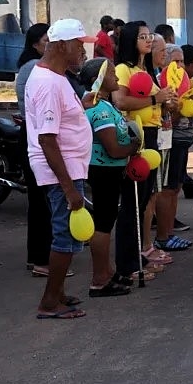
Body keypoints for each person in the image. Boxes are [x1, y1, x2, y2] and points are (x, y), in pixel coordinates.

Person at [27, 19, 96, 319]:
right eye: (79, 44)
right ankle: (49, 302)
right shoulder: (48, 83)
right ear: (61, 46)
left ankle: (58, 293)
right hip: (61, 172)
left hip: (68, 168)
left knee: (66, 235)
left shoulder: (56, 78)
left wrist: (82, 105)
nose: (83, 51)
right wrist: (68, 188)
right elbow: (47, 138)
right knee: (65, 237)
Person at [112, 22, 176, 280]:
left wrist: (167, 102)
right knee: (132, 203)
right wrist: (154, 99)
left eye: (149, 36)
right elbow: (121, 100)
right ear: (130, 40)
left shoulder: (144, 70)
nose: (149, 40)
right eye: (142, 36)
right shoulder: (123, 69)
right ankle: (127, 266)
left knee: (143, 200)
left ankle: (137, 257)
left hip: (152, 135)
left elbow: (155, 101)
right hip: (135, 137)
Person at [79, 58, 140, 296]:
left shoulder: (105, 104)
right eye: (112, 73)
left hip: (109, 170)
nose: (117, 77)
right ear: (99, 79)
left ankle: (107, 271)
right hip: (103, 170)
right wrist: (133, 147)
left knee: (106, 220)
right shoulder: (100, 110)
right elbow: (113, 148)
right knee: (103, 224)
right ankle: (99, 279)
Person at [15, 24, 62, 277]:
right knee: (43, 201)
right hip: (40, 138)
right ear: (35, 44)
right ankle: (42, 259)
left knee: (42, 200)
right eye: (47, 41)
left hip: (35, 135)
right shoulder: (37, 70)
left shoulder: (34, 68)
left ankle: (40, 257)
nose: (51, 45)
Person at [153, 44, 193, 250]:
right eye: (175, 61)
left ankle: (170, 232)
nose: (179, 66)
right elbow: (168, 118)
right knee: (167, 189)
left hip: (183, 141)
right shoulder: (162, 84)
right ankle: (164, 236)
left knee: (176, 187)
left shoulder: (185, 81)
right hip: (171, 140)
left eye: (182, 61)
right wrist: (179, 108)